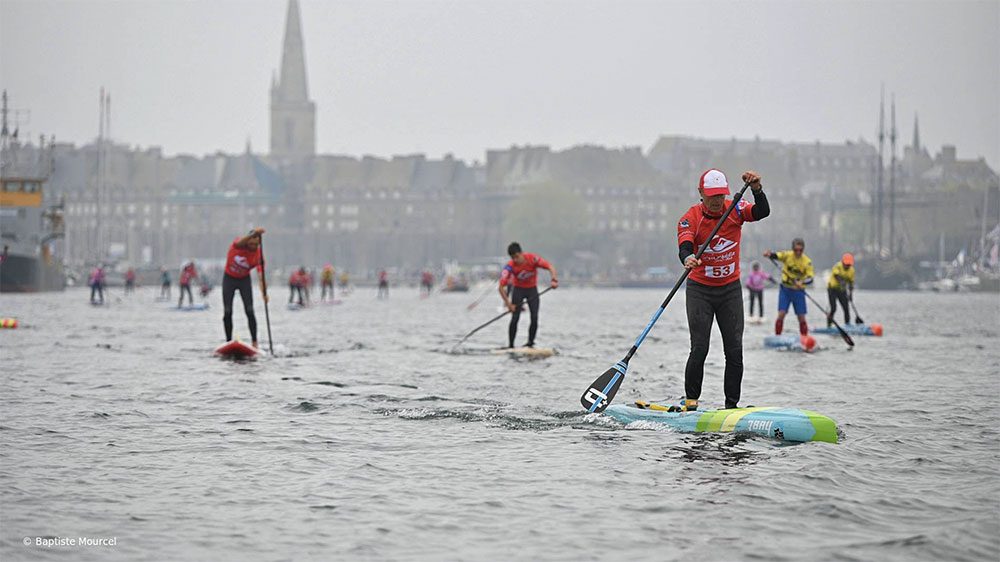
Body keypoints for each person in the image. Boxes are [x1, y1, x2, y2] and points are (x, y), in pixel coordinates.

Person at [673, 169, 769, 412]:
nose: (717, 200)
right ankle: (691, 402)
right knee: (700, 348)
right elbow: (685, 246)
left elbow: (762, 212)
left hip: (730, 291)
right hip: (700, 292)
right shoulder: (690, 218)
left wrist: (757, 190)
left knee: (734, 350)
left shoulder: (735, 208)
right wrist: (688, 258)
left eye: (721, 195)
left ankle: (731, 406)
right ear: (701, 193)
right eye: (712, 195)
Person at [498, 242, 558, 348]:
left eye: (517, 257)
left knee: (534, 317)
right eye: (513, 258)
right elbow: (501, 287)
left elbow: (550, 267)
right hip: (518, 290)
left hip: (532, 290)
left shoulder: (533, 259)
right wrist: (508, 304)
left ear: (521, 253)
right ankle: (511, 345)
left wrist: (554, 280)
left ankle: (530, 343)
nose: (515, 260)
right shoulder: (509, 266)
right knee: (515, 318)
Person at [222, 228, 265, 347]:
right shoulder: (238, 244)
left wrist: (264, 293)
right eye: (251, 244)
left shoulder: (258, 255)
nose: (253, 247)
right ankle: (228, 341)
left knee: (250, 310)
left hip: (244, 280)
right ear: (247, 241)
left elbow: (261, 276)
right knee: (227, 311)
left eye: (256, 245)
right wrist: (253, 234)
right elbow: (240, 242)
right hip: (229, 279)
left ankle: (254, 342)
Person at [764, 238, 814, 337]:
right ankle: (778, 336)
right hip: (785, 290)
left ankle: (804, 337)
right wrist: (769, 254)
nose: (798, 252)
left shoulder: (807, 261)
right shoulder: (787, 255)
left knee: (801, 317)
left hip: (798, 291)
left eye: (800, 250)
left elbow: (810, 278)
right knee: (781, 314)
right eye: (796, 250)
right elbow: (777, 255)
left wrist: (801, 282)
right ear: (793, 249)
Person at [827, 253, 856, 325]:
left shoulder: (852, 270)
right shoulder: (837, 266)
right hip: (832, 289)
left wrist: (850, 294)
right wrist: (842, 282)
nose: (847, 266)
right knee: (833, 308)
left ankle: (847, 324)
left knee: (846, 308)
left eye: (849, 265)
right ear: (843, 262)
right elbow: (836, 275)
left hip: (842, 290)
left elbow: (851, 283)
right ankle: (829, 324)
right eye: (846, 264)